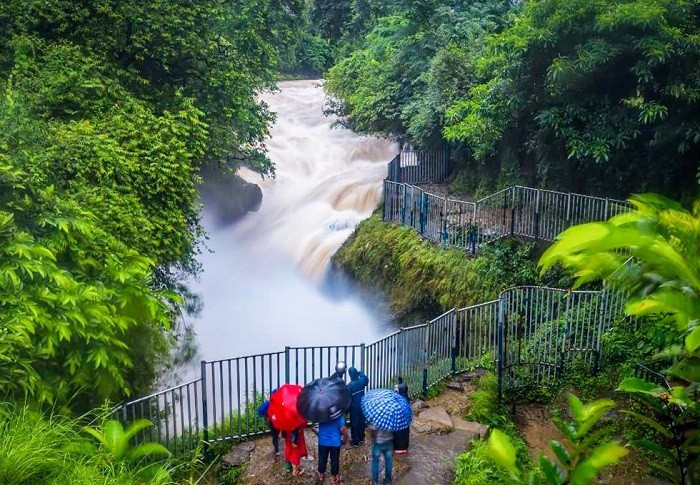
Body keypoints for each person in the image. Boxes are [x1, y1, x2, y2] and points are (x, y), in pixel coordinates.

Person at [317, 414, 349, 483]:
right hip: (335, 442)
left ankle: (321, 476)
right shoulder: (339, 416)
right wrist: (344, 441)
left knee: (322, 458)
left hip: (322, 441)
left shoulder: (320, 415)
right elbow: (344, 431)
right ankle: (334, 478)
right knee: (335, 459)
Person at [346, 367, 369, 446]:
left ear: (350, 375)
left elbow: (348, 399)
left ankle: (355, 441)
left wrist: (346, 411)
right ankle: (361, 438)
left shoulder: (349, 386)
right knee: (362, 421)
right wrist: (360, 373)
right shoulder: (362, 381)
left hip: (354, 406)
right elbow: (366, 378)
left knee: (354, 423)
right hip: (362, 405)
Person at [257, 388, 279, 455]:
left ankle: (276, 449)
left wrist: (266, 416)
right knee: (277, 433)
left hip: (271, 422)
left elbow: (260, 411)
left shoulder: (268, 404)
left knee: (275, 435)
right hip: (279, 421)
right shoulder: (281, 404)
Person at [393, 377, 410, 454]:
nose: (395, 390)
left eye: (396, 389)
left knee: (400, 434)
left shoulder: (401, 400)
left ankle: (400, 448)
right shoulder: (404, 397)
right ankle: (403, 447)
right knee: (404, 434)